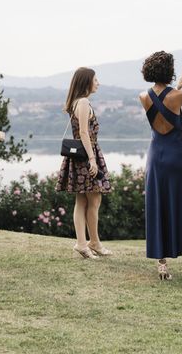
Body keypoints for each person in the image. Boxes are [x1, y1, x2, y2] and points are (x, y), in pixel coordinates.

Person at [138, 51, 182, 281]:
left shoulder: (143, 96)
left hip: (156, 157)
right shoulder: (180, 97)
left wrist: (178, 86)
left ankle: (162, 266)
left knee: (159, 205)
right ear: (169, 71)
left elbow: (163, 101)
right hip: (178, 156)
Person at [57, 67, 112, 259]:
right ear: (86, 82)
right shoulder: (83, 102)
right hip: (86, 155)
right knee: (93, 199)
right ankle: (86, 243)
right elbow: (83, 132)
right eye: (95, 79)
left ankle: (89, 242)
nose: (98, 83)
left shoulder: (77, 102)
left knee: (84, 200)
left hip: (82, 155)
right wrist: (91, 159)